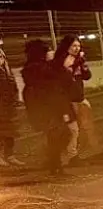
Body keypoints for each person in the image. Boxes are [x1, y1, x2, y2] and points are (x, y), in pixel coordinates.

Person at [21, 40, 72, 174]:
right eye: (48, 50)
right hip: (47, 110)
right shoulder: (36, 69)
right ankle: (54, 164)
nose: (51, 52)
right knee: (60, 135)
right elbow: (59, 79)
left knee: (59, 135)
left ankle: (54, 164)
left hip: (50, 108)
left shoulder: (40, 67)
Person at [51, 35, 91, 163]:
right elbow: (65, 78)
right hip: (66, 100)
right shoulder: (63, 60)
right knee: (72, 129)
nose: (76, 48)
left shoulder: (79, 60)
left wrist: (83, 65)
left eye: (78, 46)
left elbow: (87, 76)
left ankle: (73, 152)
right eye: (74, 46)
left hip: (79, 98)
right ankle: (70, 155)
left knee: (81, 128)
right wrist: (76, 63)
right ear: (67, 46)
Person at [0, 48, 24, 167]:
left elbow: (14, 88)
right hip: (1, 107)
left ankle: (10, 155)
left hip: (9, 107)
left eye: (1, 57)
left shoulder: (8, 71)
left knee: (10, 132)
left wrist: (15, 99)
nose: (1, 59)